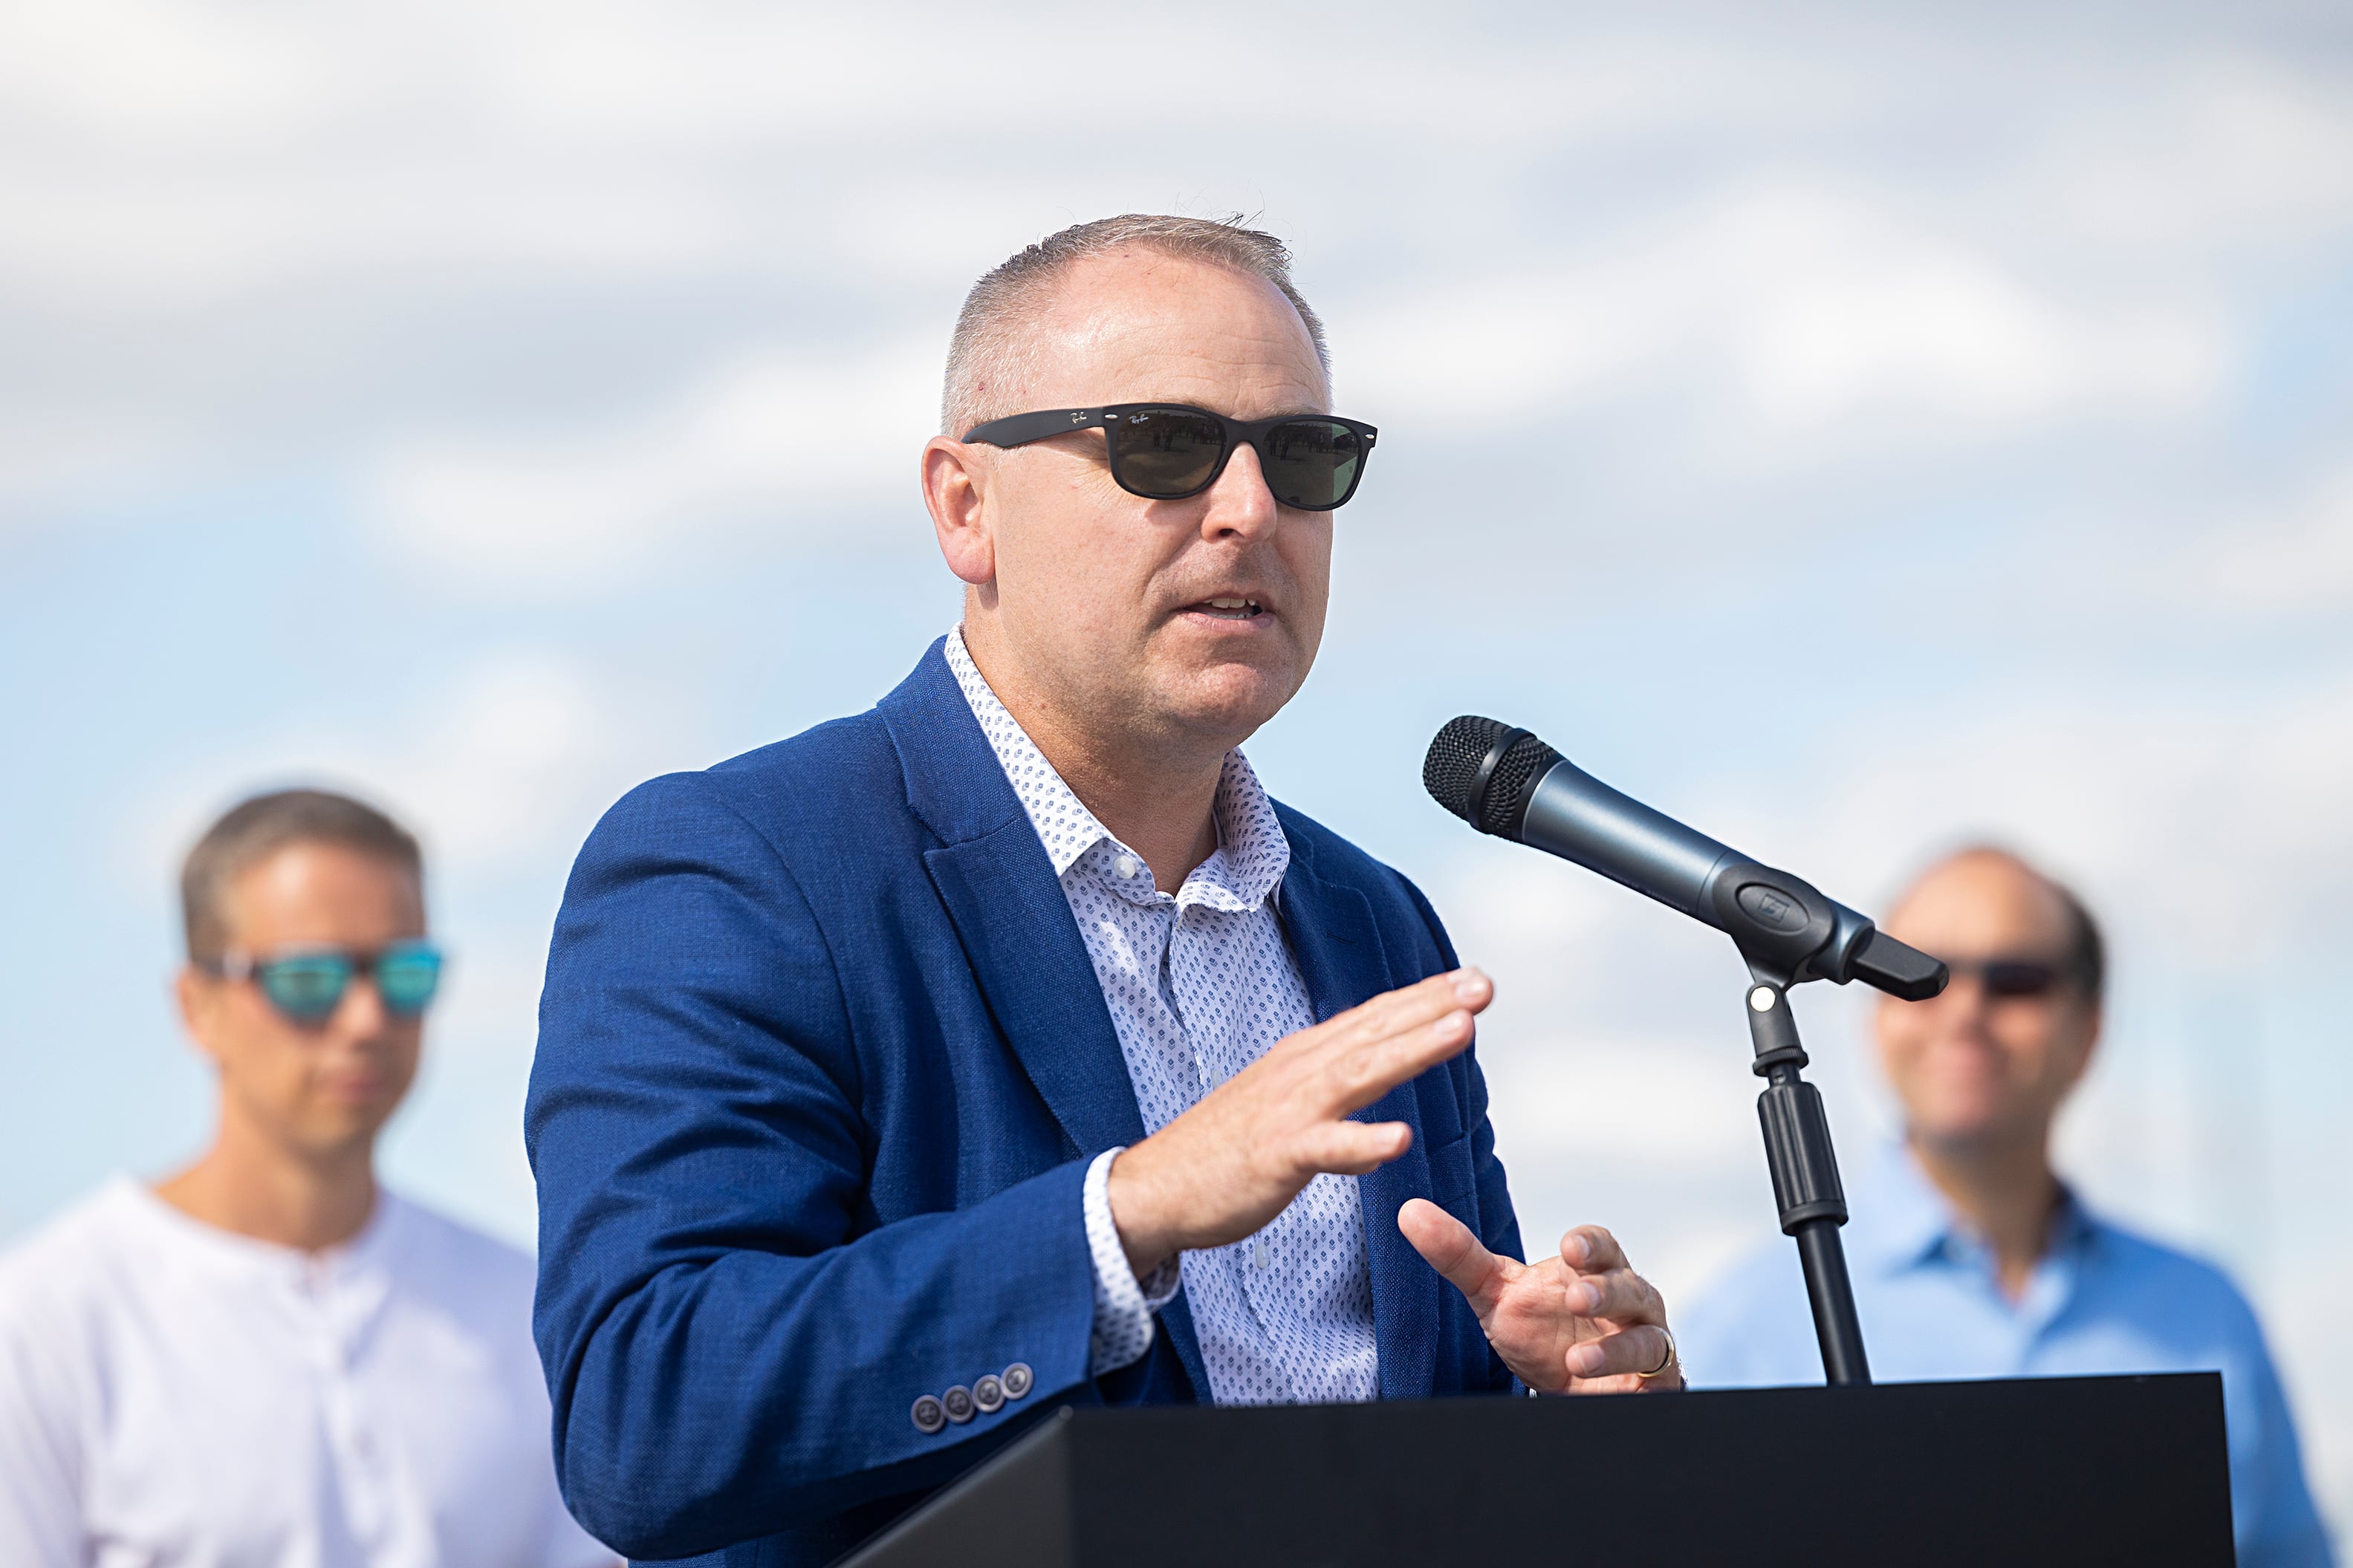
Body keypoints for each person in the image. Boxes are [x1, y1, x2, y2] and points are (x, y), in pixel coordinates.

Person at [528, 214, 1684, 1566]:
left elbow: (1411, 1440)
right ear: (967, 507)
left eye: (1304, 458)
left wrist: (1570, 1405)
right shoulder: (743, 863)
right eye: (1163, 445)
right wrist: (1122, 1217)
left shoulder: (1372, 919)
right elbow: (645, 1414)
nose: (1249, 508)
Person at [0, 789, 615, 1568]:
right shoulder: (41, 1325)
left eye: (405, 972)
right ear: (198, 1006)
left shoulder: (524, 1312)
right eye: (308, 979)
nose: (365, 1019)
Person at [1678, 845, 2334, 1567]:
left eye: (2014, 980)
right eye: (1917, 973)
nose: (1963, 1011)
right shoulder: (1744, 1321)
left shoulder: (2206, 1312)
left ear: (2086, 1030)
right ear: (1873, 1018)